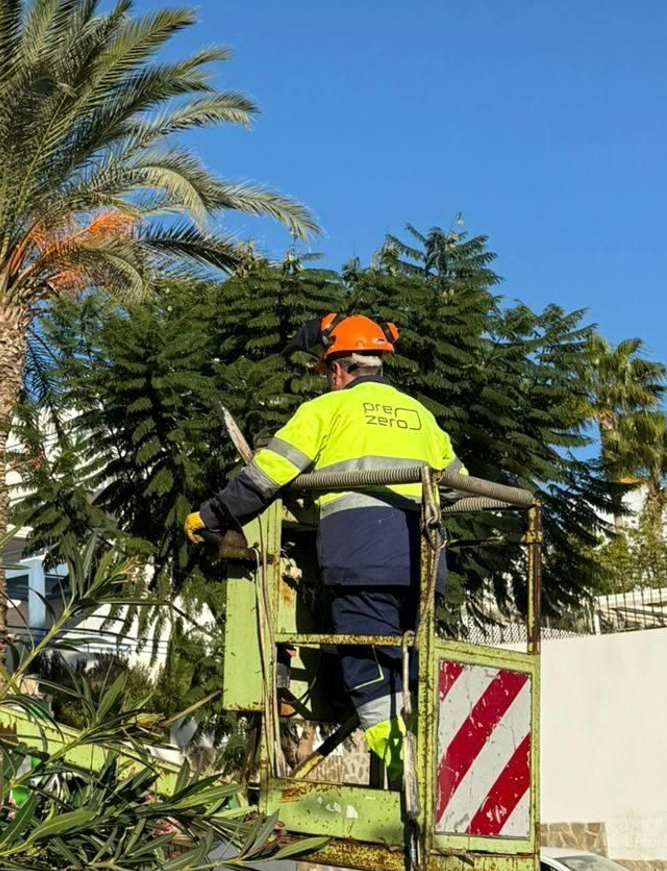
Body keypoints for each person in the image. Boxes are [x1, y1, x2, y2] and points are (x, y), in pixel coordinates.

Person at [184, 314, 462, 780]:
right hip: (426, 565)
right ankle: (440, 763)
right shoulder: (421, 416)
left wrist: (209, 515)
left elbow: (265, 478)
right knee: (415, 666)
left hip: (362, 562)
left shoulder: (325, 411)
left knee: (367, 665)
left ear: (337, 369)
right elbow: (458, 485)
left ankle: (404, 776)